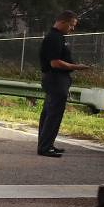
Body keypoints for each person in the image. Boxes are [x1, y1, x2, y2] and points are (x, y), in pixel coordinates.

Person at [37, 10, 90, 158]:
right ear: (63, 22)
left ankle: (46, 143)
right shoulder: (54, 38)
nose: (72, 29)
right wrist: (76, 67)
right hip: (55, 79)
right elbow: (55, 63)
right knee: (54, 114)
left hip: (56, 79)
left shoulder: (58, 37)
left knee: (49, 112)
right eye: (71, 25)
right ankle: (45, 147)